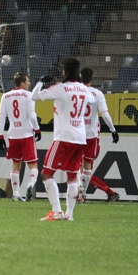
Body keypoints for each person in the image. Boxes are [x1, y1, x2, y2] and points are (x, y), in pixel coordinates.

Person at [31, 56, 94, 221]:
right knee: (72, 176)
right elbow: (92, 100)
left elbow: (34, 97)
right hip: (80, 138)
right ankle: (69, 214)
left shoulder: (61, 88)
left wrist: (40, 82)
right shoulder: (84, 89)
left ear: (65, 71)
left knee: (46, 173)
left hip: (64, 137)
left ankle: (57, 211)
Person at [77, 67, 119, 203]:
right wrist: (113, 130)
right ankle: (88, 194)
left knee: (79, 168)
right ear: (92, 78)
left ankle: (82, 195)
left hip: (76, 134)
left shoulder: (74, 92)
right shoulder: (97, 93)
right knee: (86, 167)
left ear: (79, 77)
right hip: (91, 135)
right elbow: (105, 114)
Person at [0, 72, 41, 202]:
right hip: (26, 134)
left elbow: (1, 117)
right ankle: (30, 186)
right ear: (22, 83)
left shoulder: (5, 96)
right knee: (33, 165)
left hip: (13, 135)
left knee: (16, 165)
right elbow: (32, 115)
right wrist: (37, 129)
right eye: (27, 81)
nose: (29, 83)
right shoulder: (29, 95)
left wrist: (0, 136)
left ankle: (16, 193)